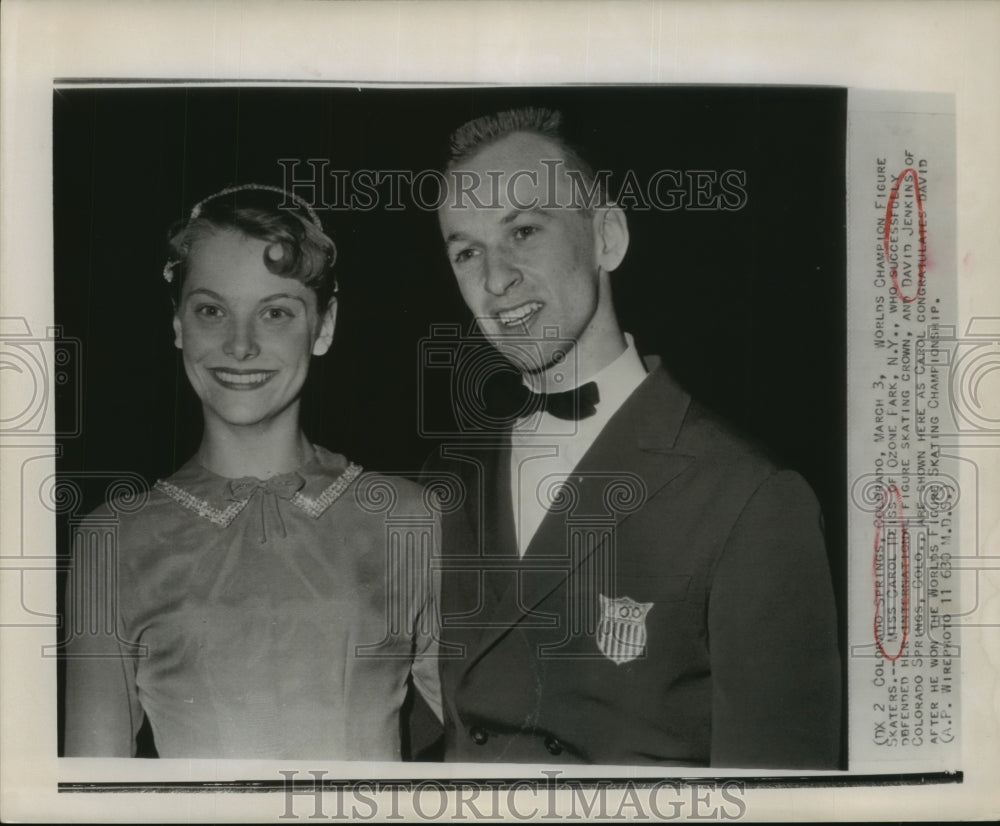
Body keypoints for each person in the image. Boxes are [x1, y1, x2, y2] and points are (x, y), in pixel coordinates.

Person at [426, 108, 842, 767]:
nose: (495, 279)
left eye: (524, 231)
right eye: (466, 252)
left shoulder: (750, 497)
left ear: (608, 238)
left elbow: (779, 797)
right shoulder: (449, 484)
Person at [63, 184, 441, 759]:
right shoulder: (112, 540)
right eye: (211, 311)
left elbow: (493, 741)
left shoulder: (412, 519)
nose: (240, 345)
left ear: (324, 325)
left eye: (276, 313)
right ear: (178, 324)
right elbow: (92, 786)